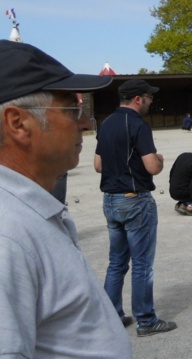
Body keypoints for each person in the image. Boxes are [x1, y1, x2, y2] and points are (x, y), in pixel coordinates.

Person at [0, 39, 133, 357]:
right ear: (18, 123)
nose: (86, 122)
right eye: (72, 110)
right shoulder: (7, 235)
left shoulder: (28, 210)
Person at [94, 79, 178, 337]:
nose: (152, 101)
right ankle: (146, 320)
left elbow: (98, 165)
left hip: (110, 199)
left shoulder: (106, 123)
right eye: (150, 97)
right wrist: (160, 160)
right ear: (138, 99)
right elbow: (152, 167)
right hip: (135, 200)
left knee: (117, 262)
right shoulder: (138, 125)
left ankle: (113, 316)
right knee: (142, 264)